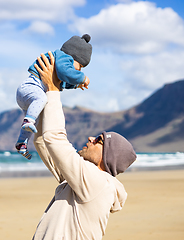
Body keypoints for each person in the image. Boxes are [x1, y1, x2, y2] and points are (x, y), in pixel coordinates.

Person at [31, 52, 137, 239]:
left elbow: (55, 139)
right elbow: (43, 141)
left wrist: (53, 90)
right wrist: (41, 94)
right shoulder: (80, 181)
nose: (91, 138)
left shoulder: (97, 183)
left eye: (99, 140)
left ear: (107, 158)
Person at [16, 34, 92, 160]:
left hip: (29, 94)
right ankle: (28, 121)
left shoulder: (60, 64)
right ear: (75, 57)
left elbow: (62, 81)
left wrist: (75, 85)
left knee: (36, 121)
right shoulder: (63, 57)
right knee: (41, 100)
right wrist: (82, 78)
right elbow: (66, 72)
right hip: (30, 87)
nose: (79, 70)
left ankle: (21, 143)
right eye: (81, 67)